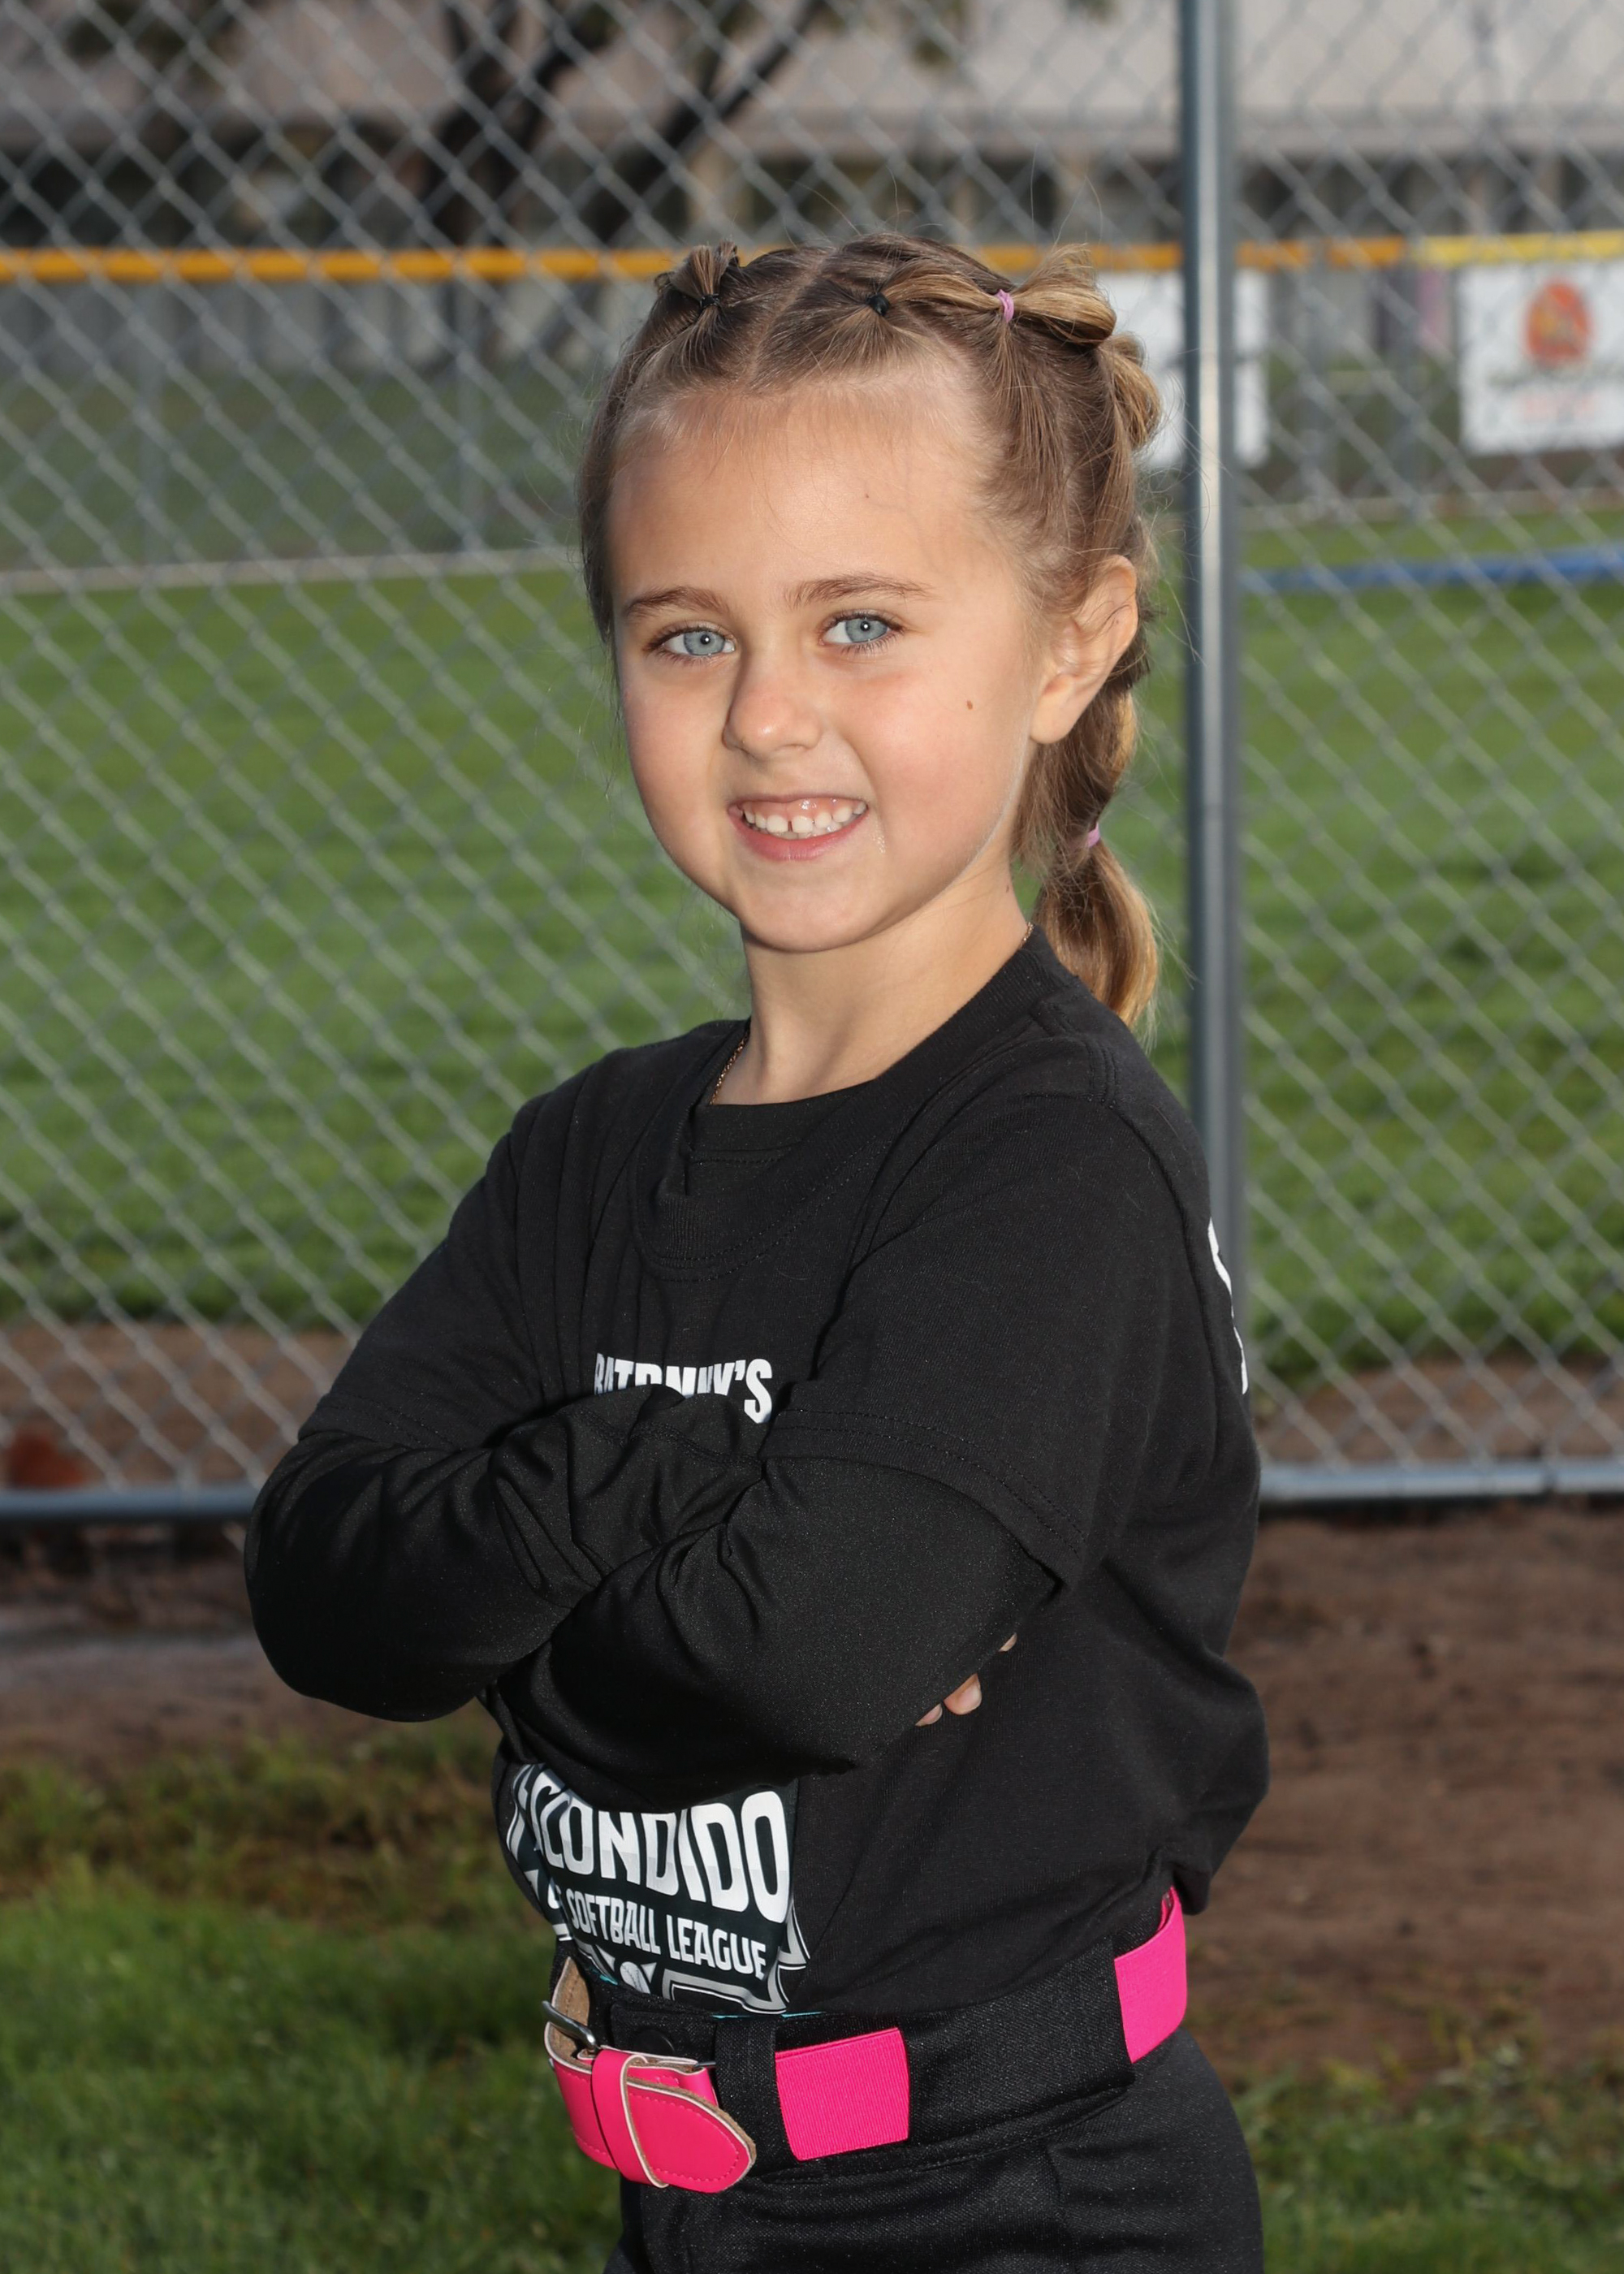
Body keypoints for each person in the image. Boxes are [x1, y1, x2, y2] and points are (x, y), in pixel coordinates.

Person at [248, 233, 1269, 2272]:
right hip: (691, 2196)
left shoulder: (1050, 1164)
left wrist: (505, 1610)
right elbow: (324, 1585)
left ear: (1068, 645)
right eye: (687, 634)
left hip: (1017, 2199)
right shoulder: (591, 1154)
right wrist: (679, 1487)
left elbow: (801, 1650)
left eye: (860, 622)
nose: (769, 713)